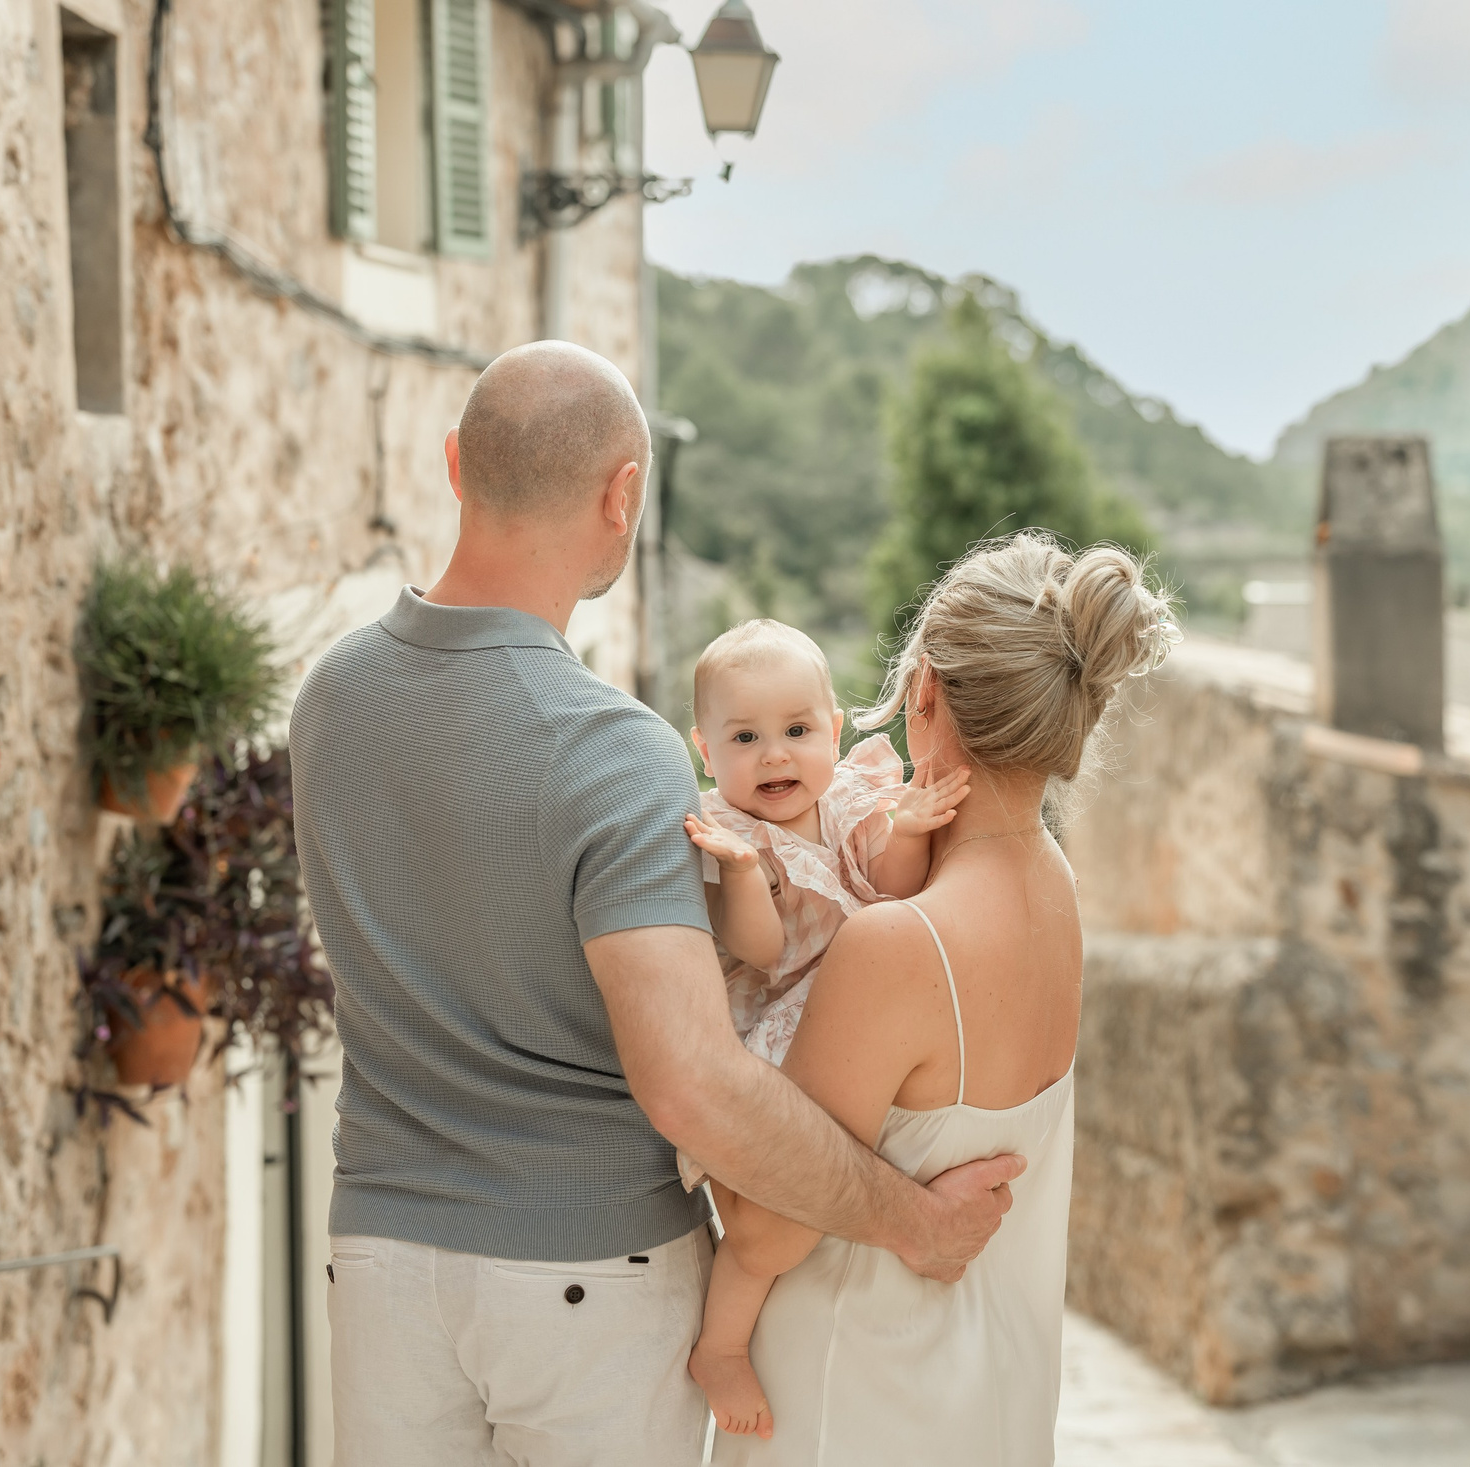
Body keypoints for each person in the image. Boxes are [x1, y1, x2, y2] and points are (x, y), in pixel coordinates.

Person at [286, 341, 1024, 1467]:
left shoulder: (331, 695)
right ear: (623, 492)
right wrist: (910, 1221)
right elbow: (690, 1082)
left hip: (378, 1257)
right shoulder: (607, 746)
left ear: (454, 467)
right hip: (586, 1280)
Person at [711, 531, 1178, 1465]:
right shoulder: (1058, 894)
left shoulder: (900, 944)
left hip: (854, 1408)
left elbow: (761, 1223)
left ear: (925, 690)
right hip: (994, 1409)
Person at [675, 619, 971, 1436]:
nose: (775, 755)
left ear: (834, 731)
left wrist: (907, 831)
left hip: (852, 1006)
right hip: (780, 1021)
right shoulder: (730, 834)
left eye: (797, 730)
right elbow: (760, 953)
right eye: (746, 736)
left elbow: (887, 886)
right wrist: (740, 878)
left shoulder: (849, 796)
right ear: (706, 751)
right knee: (771, 1234)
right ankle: (722, 1346)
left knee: (848, 1177)